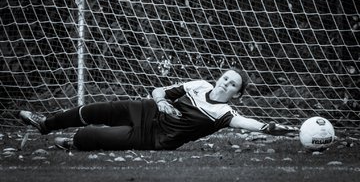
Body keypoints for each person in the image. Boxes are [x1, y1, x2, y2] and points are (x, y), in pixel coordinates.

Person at [19, 68, 298, 151]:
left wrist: (273, 129)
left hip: (154, 138)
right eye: (226, 78)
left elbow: (250, 124)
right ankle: (44, 123)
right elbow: (159, 91)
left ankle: (72, 142)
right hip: (147, 110)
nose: (226, 84)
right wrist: (162, 101)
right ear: (219, 78)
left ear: (236, 95)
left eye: (233, 85)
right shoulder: (198, 85)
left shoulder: (224, 114)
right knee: (92, 110)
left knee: (91, 137)